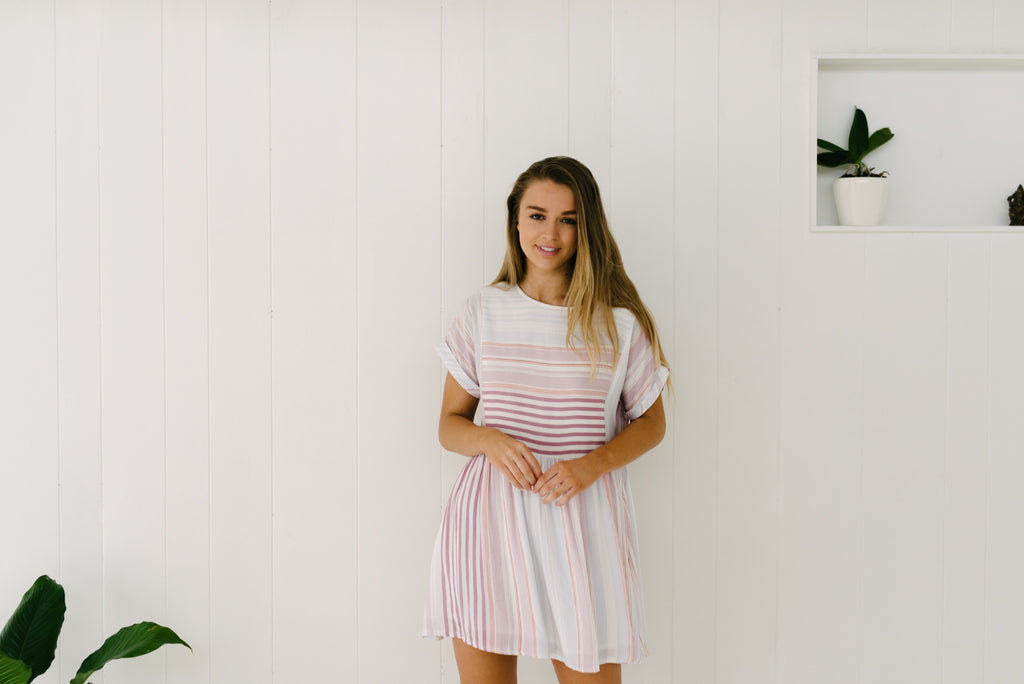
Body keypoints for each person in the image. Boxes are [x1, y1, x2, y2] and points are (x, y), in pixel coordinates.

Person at [423, 156, 670, 684]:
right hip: (488, 524)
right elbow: (449, 425)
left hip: (582, 524)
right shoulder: (483, 311)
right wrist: (489, 439)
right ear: (516, 220)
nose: (550, 233)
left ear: (587, 227)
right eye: (537, 215)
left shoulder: (618, 323)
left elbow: (652, 423)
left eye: (568, 219)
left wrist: (590, 465)